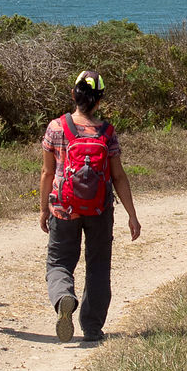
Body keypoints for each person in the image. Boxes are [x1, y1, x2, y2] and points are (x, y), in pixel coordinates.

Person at [39, 69, 141, 344]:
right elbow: (118, 176)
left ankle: (64, 297)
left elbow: (47, 173)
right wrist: (132, 215)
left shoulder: (56, 127)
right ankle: (92, 328)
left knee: (59, 262)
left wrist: (43, 209)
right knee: (98, 266)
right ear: (99, 100)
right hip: (99, 210)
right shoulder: (106, 132)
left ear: (74, 95)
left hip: (63, 209)